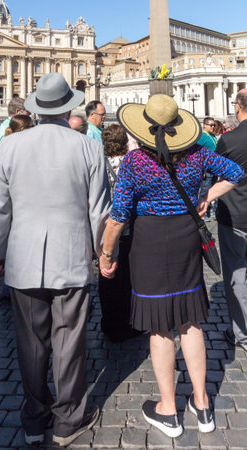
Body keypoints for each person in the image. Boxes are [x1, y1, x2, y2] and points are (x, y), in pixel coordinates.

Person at [99, 94, 244, 438]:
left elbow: (118, 218)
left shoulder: (135, 163)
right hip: (185, 236)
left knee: (160, 326)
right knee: (190, 322)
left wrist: (107, 254)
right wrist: (208, 196)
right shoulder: (196, 154)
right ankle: (202, 402)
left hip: (149, 241)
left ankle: (168, 408)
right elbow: (236, 173)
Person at [0, 73, 111, 447]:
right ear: (69, 107)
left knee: (30, 341)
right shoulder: (88, 147)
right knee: (70, 340)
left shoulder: (10, 147)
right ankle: (68, 417)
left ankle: (33, 416)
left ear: (38, 107)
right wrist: (105, 252)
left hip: (23, 257)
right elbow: (99, 211)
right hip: (73, 255)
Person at [99, 124, 140, 342]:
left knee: (106, 276)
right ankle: (126, 322)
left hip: (105, 226)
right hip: (127, 225)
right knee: (125, 276)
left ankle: (108, 321)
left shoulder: (100, 163)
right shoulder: (131, 163)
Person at [216, 89, 247, 352]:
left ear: (238, 107)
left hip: (234, 214)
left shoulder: (229, 140)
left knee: (238, 274)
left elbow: (215, 176)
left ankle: (242, 333)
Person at [0, 97, 27, 174]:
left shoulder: (5, 125)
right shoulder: (11, 128)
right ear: (18, 111)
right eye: (28, 114)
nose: (29, 117)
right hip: (4, 176)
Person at [198, 117, 218, 220]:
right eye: (211, 125)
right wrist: (202, 169)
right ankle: (203, 212)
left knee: (214, 190)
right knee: (205, 191)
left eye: (214, 125)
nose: (213, 127)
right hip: (207, 168)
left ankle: (211, 210)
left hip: (214, 168)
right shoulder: (202, 136)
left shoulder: (213, 136)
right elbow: (198, 153)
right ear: (204, 125)